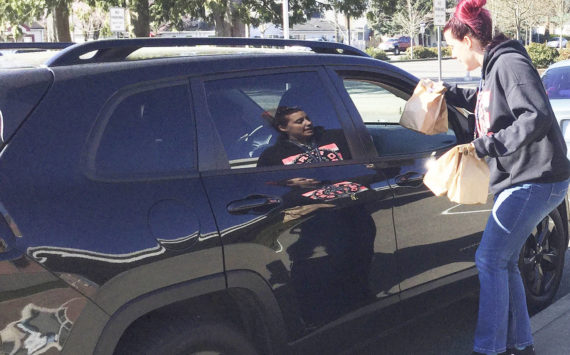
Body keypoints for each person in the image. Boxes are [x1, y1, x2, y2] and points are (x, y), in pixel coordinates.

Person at [435, 1, 570, 354]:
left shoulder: (509, 62)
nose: (452, 54)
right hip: (524, 178)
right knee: (503, 261)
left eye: (452, 46)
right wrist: (447, 92)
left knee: (489, 258)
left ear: (469, 39)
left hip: (536, 178)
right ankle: (520, 344)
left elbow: (535, 115)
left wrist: (485, 146)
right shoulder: (494, 68)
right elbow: (487, 102)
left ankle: (489, 349)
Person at [257, 106, 351, 167]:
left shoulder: (336, 137)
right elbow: (267, 182)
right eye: (299, 121)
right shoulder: (272, 156)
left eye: (307, 119)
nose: (308, 123)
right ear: (283, 127)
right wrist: (289, 182)